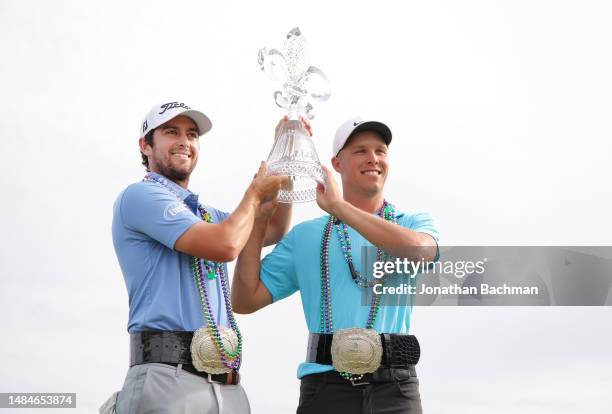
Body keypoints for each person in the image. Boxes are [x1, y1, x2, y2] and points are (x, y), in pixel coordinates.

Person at [231, 116, 440, 414]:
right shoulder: (305, 236)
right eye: (360, 151)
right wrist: (260, 220)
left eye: (380, 151)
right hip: (325, 388)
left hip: (395, 388)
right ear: (336, 163)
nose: (373, 159)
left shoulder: (413, 223)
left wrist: (339, 207)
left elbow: (419, 251)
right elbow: (244, 299)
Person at [101, 100, 291, 414]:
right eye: (171, 132)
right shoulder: (140, 196)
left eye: (192, 135)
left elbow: (271, 229)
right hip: (166, 378)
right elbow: (227, 244)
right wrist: (254, 195)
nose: (184, 142)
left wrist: (287, 151)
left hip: (226, 384)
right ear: (145, 145)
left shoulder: (206, 214)